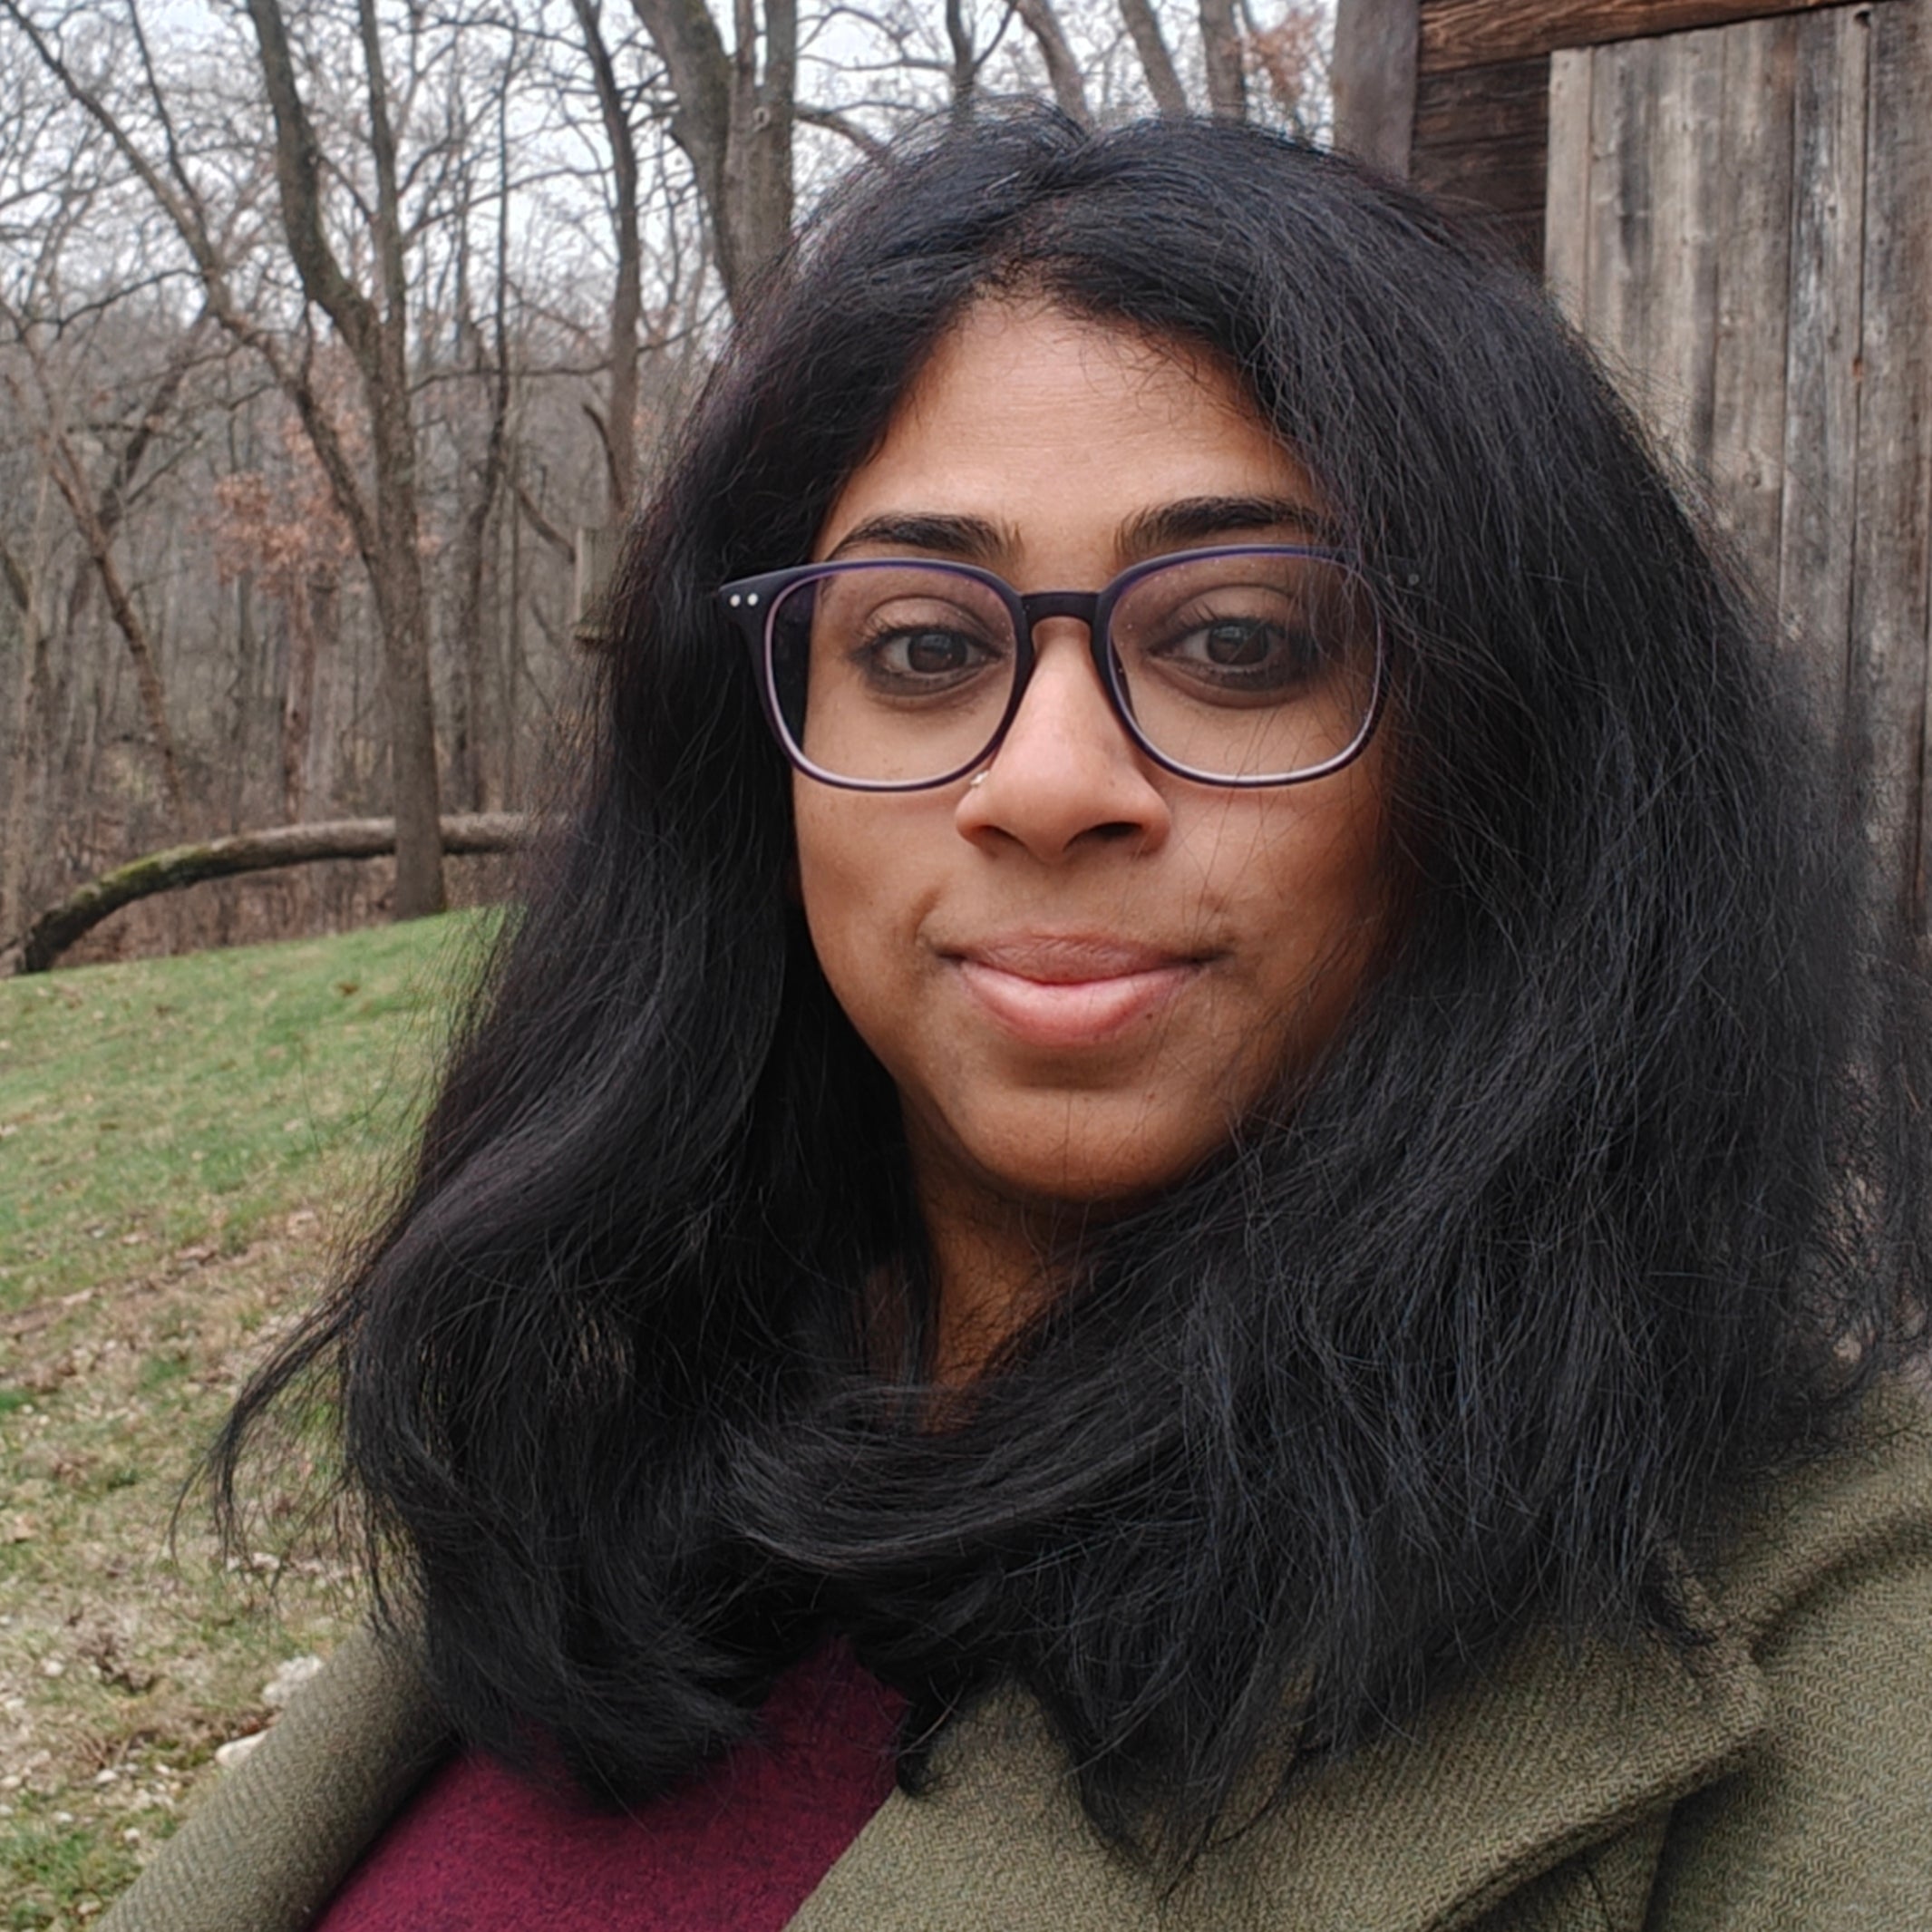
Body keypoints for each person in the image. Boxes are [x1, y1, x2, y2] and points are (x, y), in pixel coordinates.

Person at [104, 108, 1932, 1931]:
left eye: (1239, 639)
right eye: (920, 648)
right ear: (763, 764)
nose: (1047, 781)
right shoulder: (617, 1460)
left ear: (1518, 746)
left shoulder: (1833, 1623)